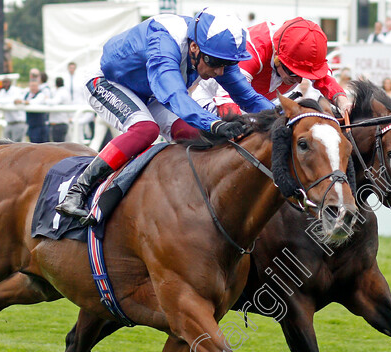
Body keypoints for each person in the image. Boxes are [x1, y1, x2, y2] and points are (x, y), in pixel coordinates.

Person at [55, 8, 274, 223]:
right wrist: (215, 124)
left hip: (150, 92)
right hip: (106, 81)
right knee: (145, 130)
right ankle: (78, 191)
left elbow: (249, 98)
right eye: (216, 63)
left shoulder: (214, 52)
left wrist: (286, 114)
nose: (220, 72)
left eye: (229, 64)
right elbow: (175, 96)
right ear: (195, 47)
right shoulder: (164, 42)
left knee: (193, 133)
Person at [192, 17, 354, 117]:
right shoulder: (254, 48)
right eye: (293, 72)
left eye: (303, 75)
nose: (297, 80)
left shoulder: (303, 50)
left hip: (261, 107)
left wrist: (343, 102)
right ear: (277, 56)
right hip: (212, 98)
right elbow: (227, 102)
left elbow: (324, 79)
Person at [0, 77, 27, 142]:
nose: (4, 84)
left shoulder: (16, 90)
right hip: (9, 123)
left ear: (10, 83)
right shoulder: (2, 92)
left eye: (5, 82)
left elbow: (13, 100)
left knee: (16, 146)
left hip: (18, 122)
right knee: (6, 144)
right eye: (3, 83)